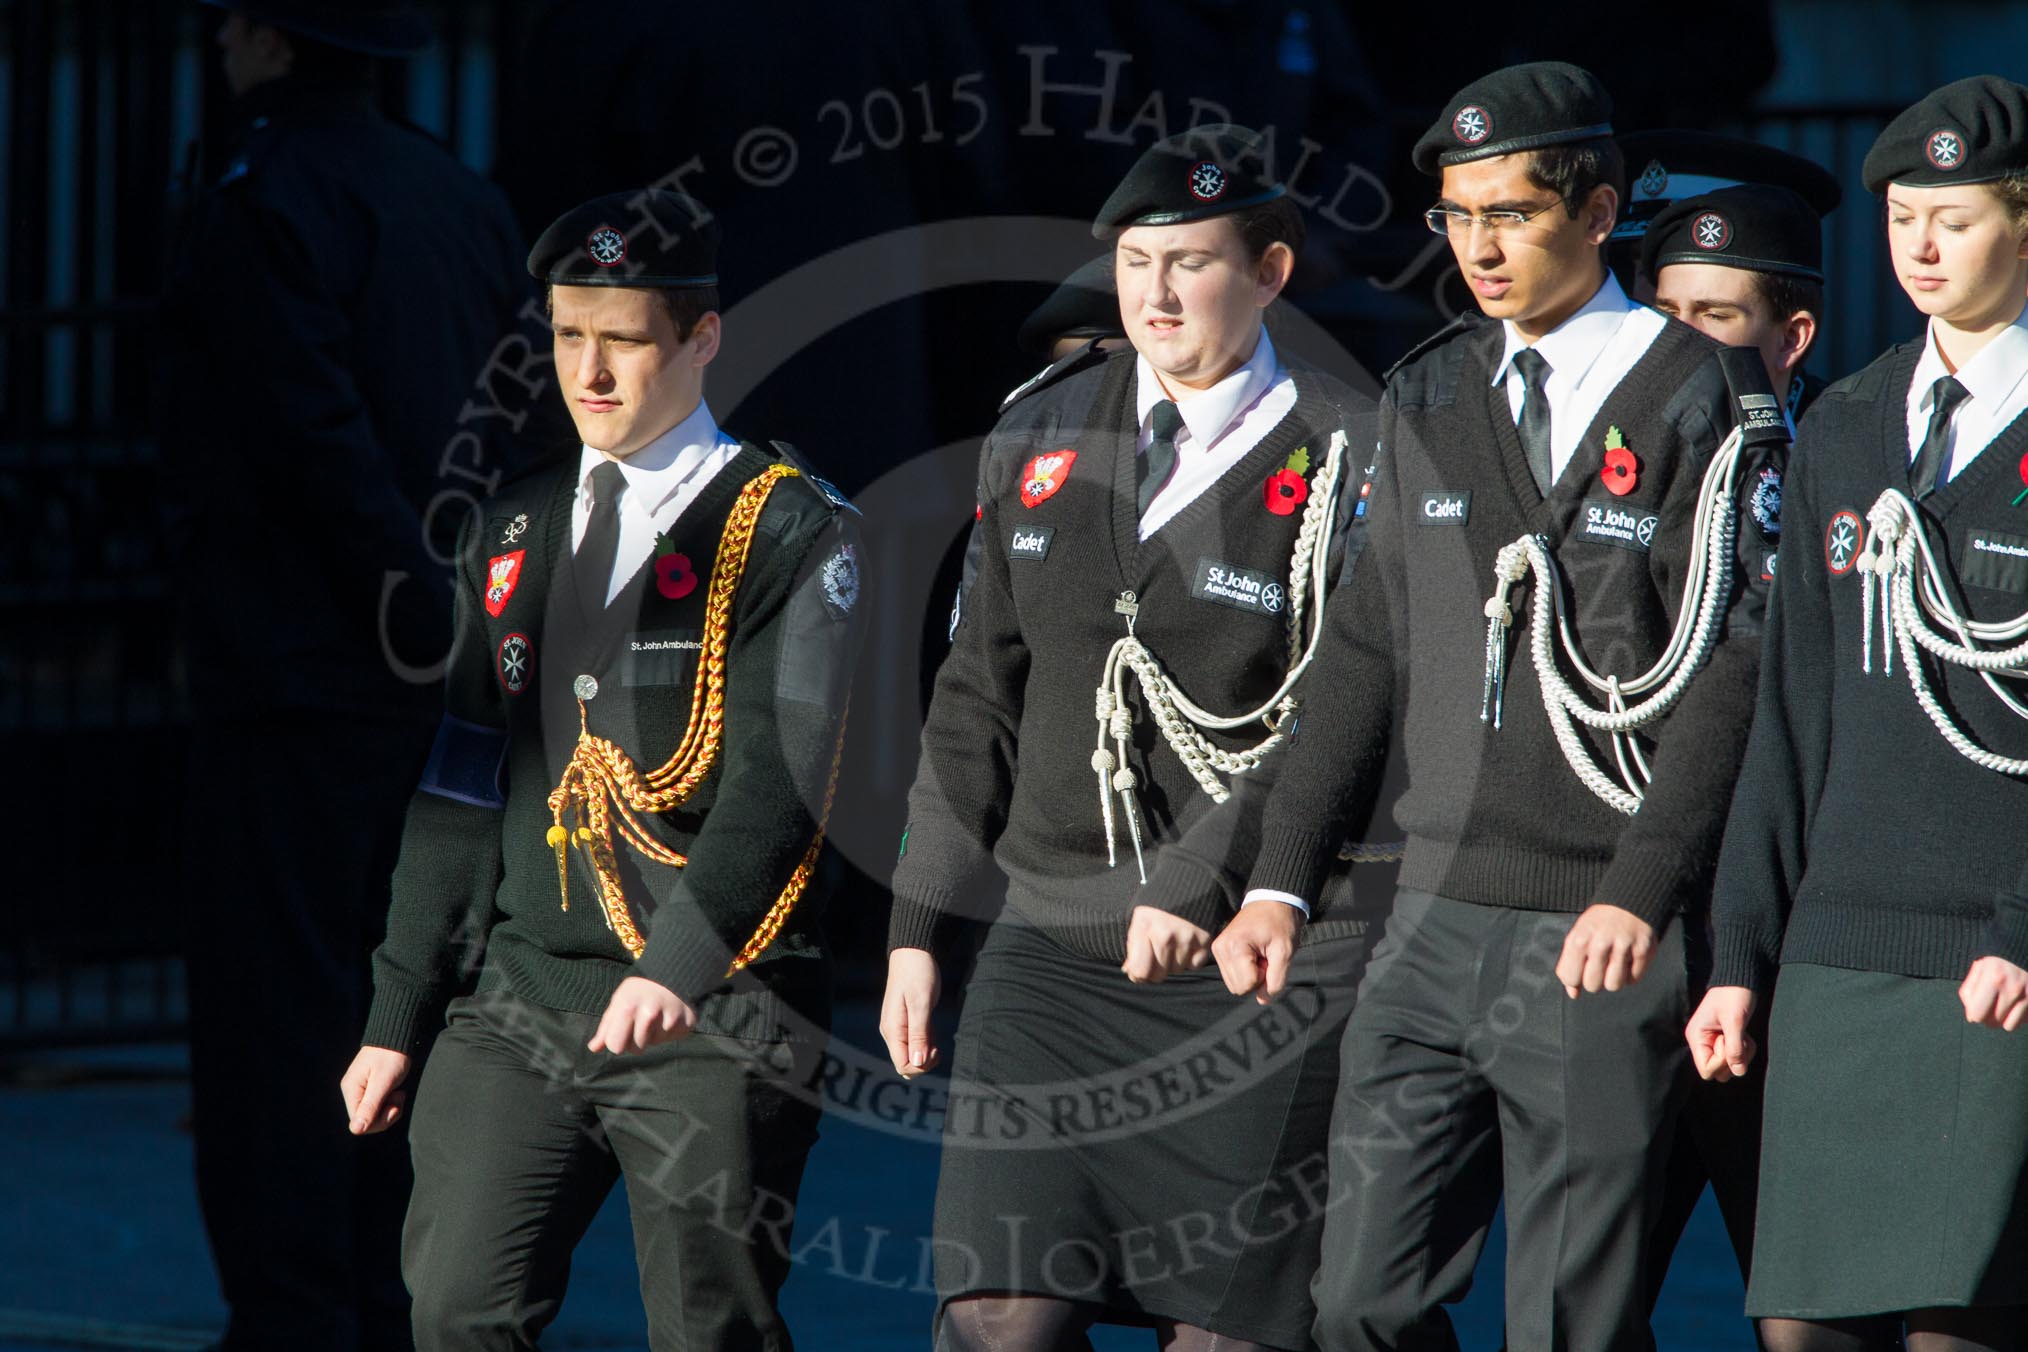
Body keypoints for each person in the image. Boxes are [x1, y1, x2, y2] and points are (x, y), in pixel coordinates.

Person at [1222, 62, 1781, 1351]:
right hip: (1431, 912)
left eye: (1511, 214)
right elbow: (1362, 649)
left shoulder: (1708, 396)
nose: (1479, 246)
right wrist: (1281, 875)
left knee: (1568, 1323)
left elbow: (1732, 668)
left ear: (1597, 211)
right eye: (1457, 216)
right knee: (1360, 1297)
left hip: (1599, 917)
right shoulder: (1428, 387)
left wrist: (1640, 889)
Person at [881, 125, 1380, 1351]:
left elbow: (1338, 702)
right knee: (999, 1311)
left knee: (1224, 1334)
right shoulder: (1041, 429)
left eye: (1192, 261)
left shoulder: (1351, 444)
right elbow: (975, 695)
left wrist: (1205, 878)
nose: (1155, 292)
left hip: (1251, 963)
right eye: (1135, 261)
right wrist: (916, 926)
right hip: (1049, 953)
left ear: (1269, 271)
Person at [339, 189, 865, 1350]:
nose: (590, 369)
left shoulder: (788, 529)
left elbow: (778, 786)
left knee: (708, 1328)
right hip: (523, 997)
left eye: (623, 338)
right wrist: (398, 1009)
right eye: (569, 334)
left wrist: (676, 963)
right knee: (458, 1307)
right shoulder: (514, 529)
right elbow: (464, 781)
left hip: (717, 1004)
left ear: (702, 337)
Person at [154, 4, 525, 1347]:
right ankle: (386, 1297)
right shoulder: (460, 197)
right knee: (414, 997)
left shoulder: (264, 199)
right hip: (438, 678)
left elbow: (309, 438)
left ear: (261, 36)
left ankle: (300, 1313)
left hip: (301, 669)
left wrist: (401, 590)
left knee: (283, 1012)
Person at [1687, 75, 2028, 1352]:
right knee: (1800, 1328)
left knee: (1961, 1323)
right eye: (1900, 219)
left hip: (1997, 957)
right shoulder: (1844, 421)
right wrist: (1741, 954)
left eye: (1955, 215)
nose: (1922, 247)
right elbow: (1792, 717)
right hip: (1841, 945)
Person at [1643, 182, 1836, 423]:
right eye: (1667, 312)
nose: (1676, 337)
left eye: (1714, 315)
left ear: (1791, 338)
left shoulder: (1841, 452)